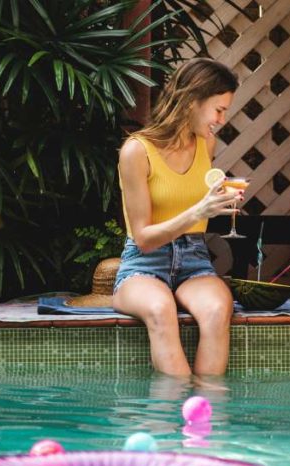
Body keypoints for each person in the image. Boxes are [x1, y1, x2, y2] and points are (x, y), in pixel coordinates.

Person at [114, 58, 243, 377]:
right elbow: (143, 238)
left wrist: (218, 202)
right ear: (191, 102)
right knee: (160, 310)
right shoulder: (136, 151)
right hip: (143, 265)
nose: (221, 120)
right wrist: (199, 212)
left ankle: (208, 418)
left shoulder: (206, 143)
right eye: (218, 109)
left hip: (195, 259)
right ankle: (171, 415)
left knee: (216, 310)